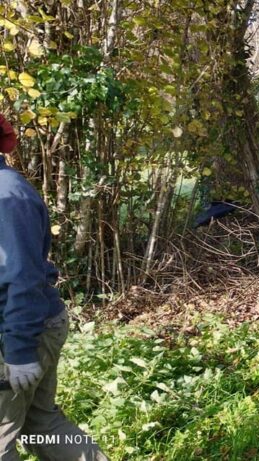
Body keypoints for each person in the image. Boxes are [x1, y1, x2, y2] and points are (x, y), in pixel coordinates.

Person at [0, 114, 108, 460]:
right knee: (40, 426)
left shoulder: (7, 197)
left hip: (21, 331)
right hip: (31, 324)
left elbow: (22, 276)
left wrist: (18, 352)